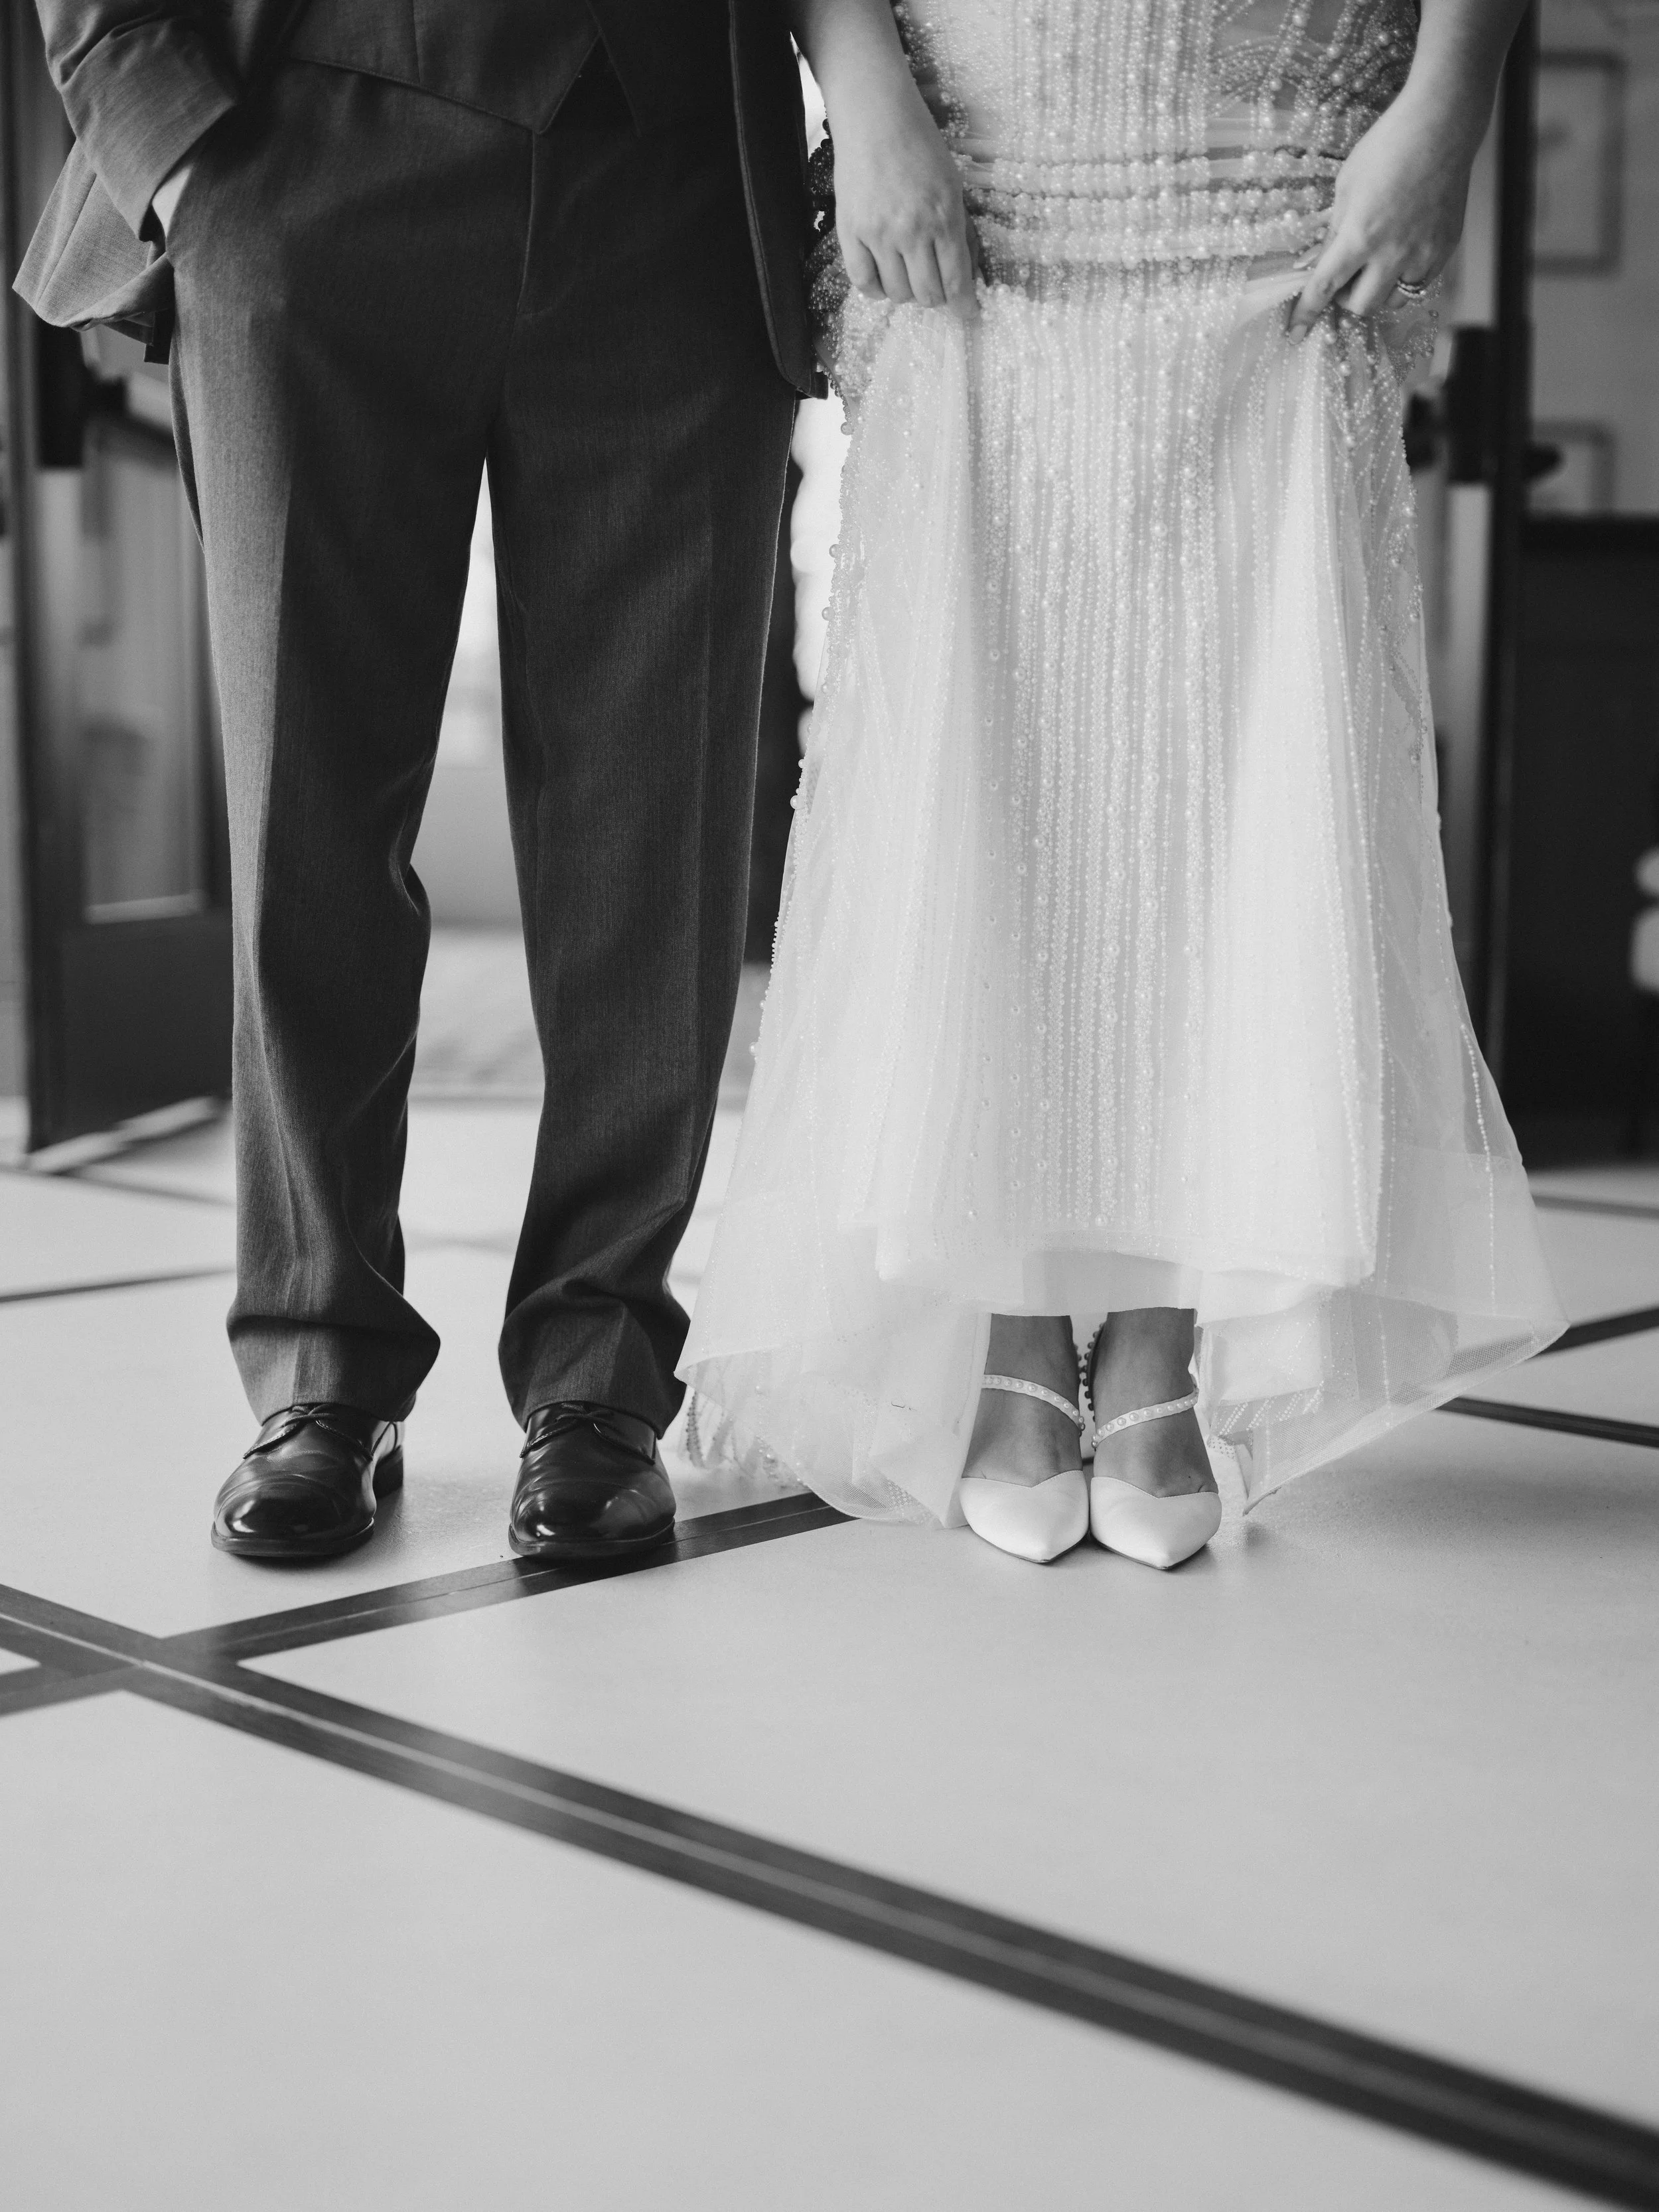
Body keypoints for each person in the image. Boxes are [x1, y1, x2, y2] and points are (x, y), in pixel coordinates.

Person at [681, 0, 1565, 1567]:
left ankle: (1163, 1329)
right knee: (991, 758)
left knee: (1233, 768)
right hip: (988, 153)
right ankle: (1013, 1322)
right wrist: (861, 84)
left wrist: (1449, 99)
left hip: (1281, 159)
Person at [18, 1, 814, 1562]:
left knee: (653, 822)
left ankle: (598, 1368)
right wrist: (170, 145)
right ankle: (320, 1357)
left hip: (672, 172)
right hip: (305, 144)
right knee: (305, 804)